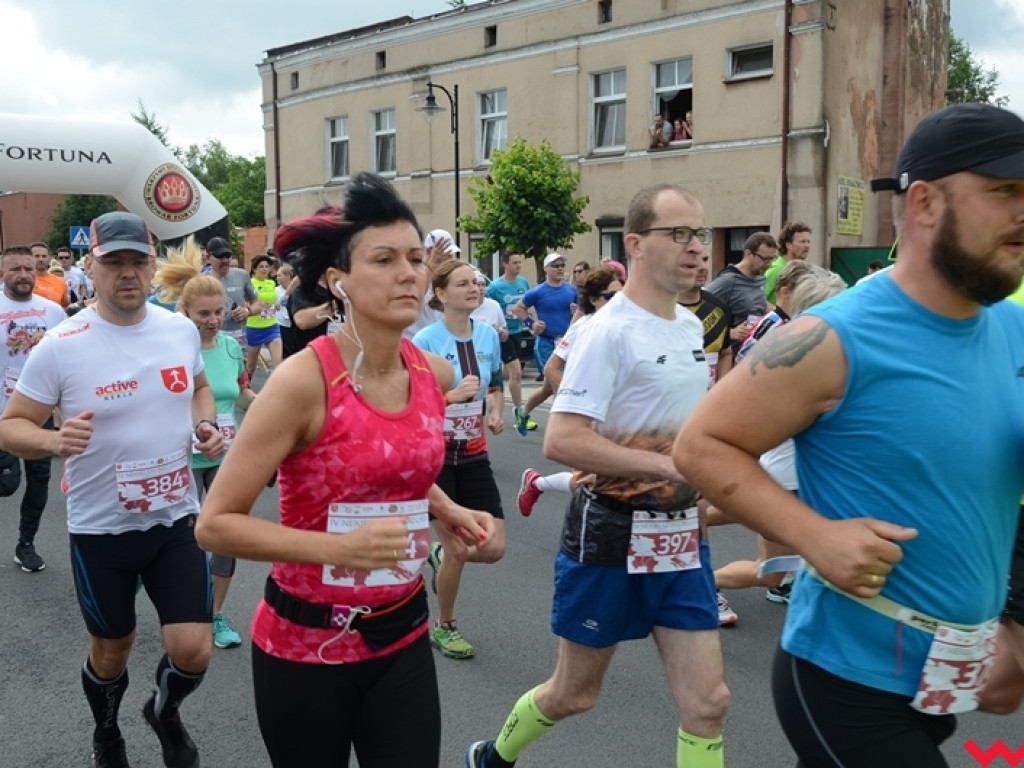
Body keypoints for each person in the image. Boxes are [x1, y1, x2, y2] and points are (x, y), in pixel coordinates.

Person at [673, 102, 1024, 765]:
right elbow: (701, 443)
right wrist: (816, 536)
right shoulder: (833, 337)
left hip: (945, 673)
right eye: (1004, 191)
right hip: (843, 677)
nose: (1023, 212)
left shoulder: (1013, 330)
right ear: (923, 203)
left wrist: (1015, 629)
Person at [194, 173, 495, 768]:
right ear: (338, 281)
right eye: (383, 259)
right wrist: (339, 547)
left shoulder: (431, 372)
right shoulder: (302, 382)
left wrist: (448, 507)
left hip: (402, 628)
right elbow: (215, 525)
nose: (408, 272)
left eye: (414, 257)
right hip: (305, 646)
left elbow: (393, 464)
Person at [468, 183, 728, 768]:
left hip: (682, 537)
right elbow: (564, 439)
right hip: (611, 533)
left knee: (708, 703)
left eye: (701, 234)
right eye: (679, 234)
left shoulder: (691, 327)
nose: (696, 248)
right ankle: (492, 756)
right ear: (634, 243)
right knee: (574, 694)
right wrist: (667, 464)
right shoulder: (608, 330)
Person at [0, 211, 224, 768]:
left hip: (176, 518)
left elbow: (198, 386)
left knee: (193, 650)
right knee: (111, 651)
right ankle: (107, 734)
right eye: (114, 262)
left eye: (137, 261)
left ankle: (164, 712)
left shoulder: (177, 329)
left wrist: (206, 424)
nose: (128, 273)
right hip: (102, 529)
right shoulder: (60, 343)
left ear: (153, 267)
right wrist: (53, 442)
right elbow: (11, 425)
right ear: (91, 268)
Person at [153, 239, 257, 651]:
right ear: (183, 312)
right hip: (182, 456)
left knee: (226, 535)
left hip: (225, 454)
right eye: (204, 314)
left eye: (218, 312)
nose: (214, 321)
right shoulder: (171, 349)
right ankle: (182, 605)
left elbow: (244, 393)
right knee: (186, 538)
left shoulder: (233, 347)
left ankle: (212, 613)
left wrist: (277, 412)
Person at [413, 260, 506, 660]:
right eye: (463, 283)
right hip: (434, 459)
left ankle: (437, 554)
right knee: (458, 549)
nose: (474, 288)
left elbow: (496, 383)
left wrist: (497, 409)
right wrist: (449, 398)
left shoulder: (487, 335)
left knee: (492, 547)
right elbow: (410, 405)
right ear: (441, 295)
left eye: (478, 282)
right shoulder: (424, 341)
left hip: (473, 453)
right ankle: (445, 626)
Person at [516, 266, 623, 518]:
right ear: (595, 300)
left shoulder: (632, 327)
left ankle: (537, 484)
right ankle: (536, 484)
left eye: (624, 296)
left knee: (608, 480)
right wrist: (575, 401)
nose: (620, 303)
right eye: (612, 297)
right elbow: (553, 367)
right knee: (588, 481)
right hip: (589, 412)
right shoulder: (584, 326)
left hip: (619, 415)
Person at [0, 245, 66, 573]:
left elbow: (67, 360)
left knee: (39, 482)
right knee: (7, 483)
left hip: (40, 416)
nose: (24, 275)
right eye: (16, 269)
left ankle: (25, 543)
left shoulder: (52, 312)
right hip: (2, 416)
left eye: (28, 269)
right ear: (3, 274)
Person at [512, 253, 576, 430]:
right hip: (547, 343)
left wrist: (576, 312)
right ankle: (563, 430)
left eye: (562, 265)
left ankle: (523, 414)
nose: (560, 268)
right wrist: (532, 324)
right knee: (560, 384)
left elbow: (582, 313)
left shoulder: (571, 290)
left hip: (568, 343)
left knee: (548, 388)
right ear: (546, 268)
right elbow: (519, 308)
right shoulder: (538, 292)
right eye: (555, 265)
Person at [486, 252, 536, 433]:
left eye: (520, 262)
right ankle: (519, 414)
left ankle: (493, 390)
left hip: (518, 331)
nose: (518, 266)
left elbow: (525, 305)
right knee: (517, 371)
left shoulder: (523, 283)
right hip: (502, 334)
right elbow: (485, 307)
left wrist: (528, 320)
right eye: (514, 262)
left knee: (509, 374)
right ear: (505, 264)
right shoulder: (494, 287)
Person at [704, 232, 775, 355]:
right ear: (748, 254)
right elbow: (701, 305)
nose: (769, 264)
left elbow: (759, 303)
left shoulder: (760, 277)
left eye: (772, 259)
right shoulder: (728, 280)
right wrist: (729, 332)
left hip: (753, 353)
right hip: (731, 357)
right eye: (764, 259)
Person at [678, 251, 734, 389]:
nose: (702, 266)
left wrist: (719, 390)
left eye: (705, 259)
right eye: (693, 262)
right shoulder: (659, 309)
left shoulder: (720, 308)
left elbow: (726, 353)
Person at [206, 236, 257, 351]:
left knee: (241, 368)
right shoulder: (202, 281)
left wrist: (247, 311)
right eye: (219, 256)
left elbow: (258, 303)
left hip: (240, 339)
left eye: (227, 256)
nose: (225, 260)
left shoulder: (242, 275)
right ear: (208, 258)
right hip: (214, 340)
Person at [245, 254, 283, 378]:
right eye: (261, 267)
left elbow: (273, 299)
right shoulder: (249, 283)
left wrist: (276, 304)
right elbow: (245, 302)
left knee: (279, 364)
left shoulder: (271, 283)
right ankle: (245, 389)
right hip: (254, 328)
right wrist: (257, 305)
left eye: (267, 267)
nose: (265, 269)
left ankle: (277, 394)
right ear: (254, 269)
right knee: (250, 366)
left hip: (272, 326)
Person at [763, 222, 812, 305]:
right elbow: (758, 299)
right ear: (789, 245)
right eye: (802, 242)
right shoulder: (776, 269)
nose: (807, 245)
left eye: (808, 241)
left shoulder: (804, 270)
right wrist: (778, 313)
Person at [30, 241, 70, 308]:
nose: (41, 259)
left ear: (49, 258)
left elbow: (65, 306)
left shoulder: (60, 281)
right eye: (37, 256)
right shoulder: (24, 281)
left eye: (44, 256)